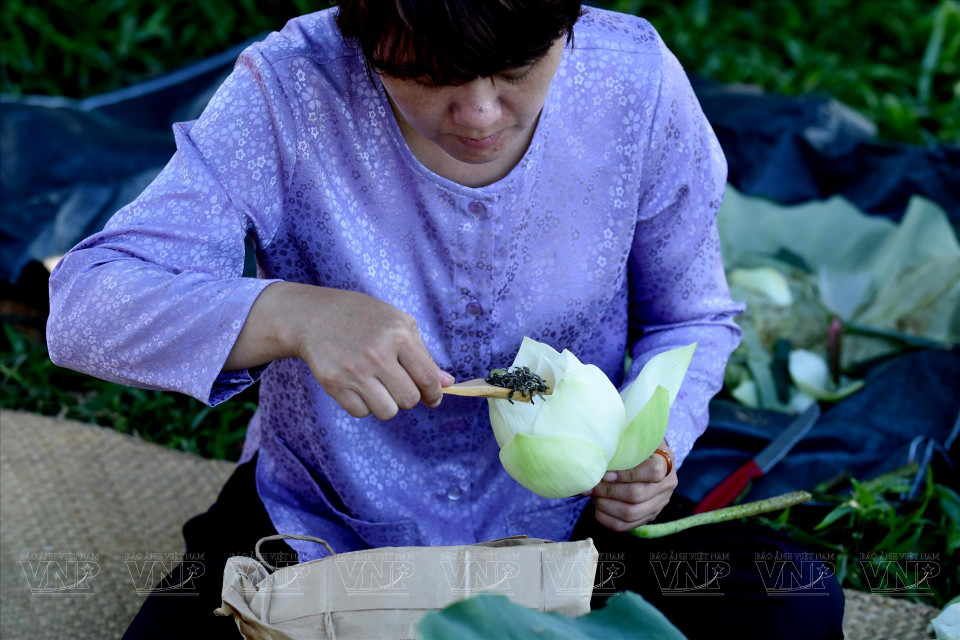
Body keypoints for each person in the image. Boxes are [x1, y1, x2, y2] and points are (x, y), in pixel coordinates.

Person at [46, 1, 844, 637]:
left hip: (571, 531)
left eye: (517, 70)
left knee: (793, 604)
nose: (480, 113)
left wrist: (652, 446)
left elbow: (692, 318)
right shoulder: (291, 89)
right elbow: (85, 304)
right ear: (366, 34)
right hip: (323, 524)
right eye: (430, 77)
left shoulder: (633, 81)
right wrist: (289, 312)